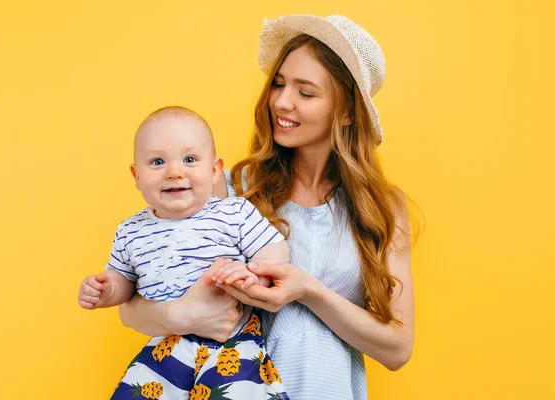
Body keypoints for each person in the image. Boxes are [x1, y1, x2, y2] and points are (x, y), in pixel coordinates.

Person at [118, 14, 415, 400]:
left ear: (346, 112)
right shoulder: (228, 190)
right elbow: (131, 308)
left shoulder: (383, 208)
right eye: (278, 84)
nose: (281, 101)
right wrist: (180, 315)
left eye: (305, 92)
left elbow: (398, 349)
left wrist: (308, 290)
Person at [77, 106, 291, 399]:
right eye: (157, 162)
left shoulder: (233, 212)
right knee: (135, 391)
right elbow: (123, 282)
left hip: (232, 341)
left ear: (215, 171)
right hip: (166, 344)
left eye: (190, 159)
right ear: (136, 175)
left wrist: (253, 275)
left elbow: (275, 249)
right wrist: (106, 290)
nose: (175, 172)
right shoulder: (131, 231)